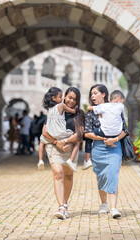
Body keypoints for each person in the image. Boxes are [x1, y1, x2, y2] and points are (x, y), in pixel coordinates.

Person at [39, 87, 85, 219]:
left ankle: (65, 204)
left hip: (69, 148)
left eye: (74, 99)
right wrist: (55, 142)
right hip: (54, 147)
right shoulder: (54, 110)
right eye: (69, 97)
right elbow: (45, 132)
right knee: (58, 173)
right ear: (64, 97)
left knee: (68, 176)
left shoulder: (79, 113)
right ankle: (60, 206)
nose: (71, 101)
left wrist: (64, 141)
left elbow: (79, 135)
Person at [84, 84, 129, 218]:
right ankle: (104, 203)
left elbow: (125, 130)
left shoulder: (115, 108)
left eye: (95, 93)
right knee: (102, 176)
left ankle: (113, 208)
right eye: (91, 94)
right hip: (98, 147)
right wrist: (104, 138)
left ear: (103, 94)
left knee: (113, 174)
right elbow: (87, 133)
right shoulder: (91, 112)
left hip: (114, 148)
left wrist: (114, 140)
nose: (92, 96)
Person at [40, 87, 81, 173]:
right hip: (62, 132)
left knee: (42, 141)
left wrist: (56, 142)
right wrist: (77, 110)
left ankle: (40, 160)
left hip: (53, 133)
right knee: (77, 140)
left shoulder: (49, 110)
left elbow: (44, 132)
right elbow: (72, 111)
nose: (62, 98)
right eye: (60, 96)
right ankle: (71, 160)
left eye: (74, 99)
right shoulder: (62, 106)